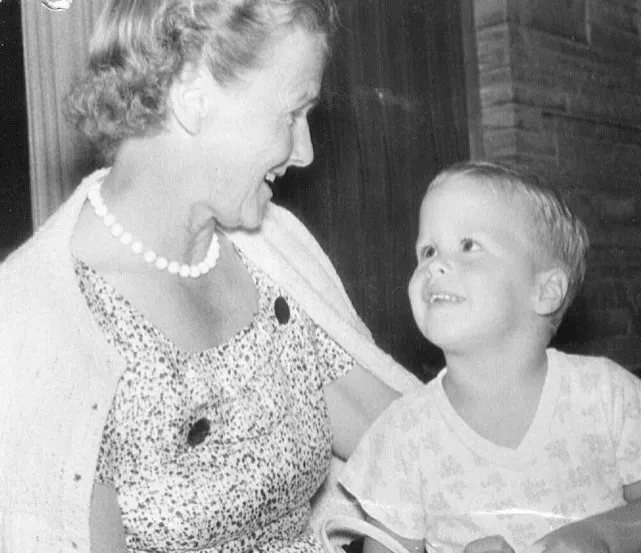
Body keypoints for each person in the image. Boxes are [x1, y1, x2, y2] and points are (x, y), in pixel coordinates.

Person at [0, 1, 421, 551]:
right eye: (294, 113)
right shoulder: (43, 324)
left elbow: (407, 445)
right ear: (193, 94)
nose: (306, 151)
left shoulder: (270, 249)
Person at [339, 161, 641, 553]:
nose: (433, 265)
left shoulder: (603, 393)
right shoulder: (404, 433)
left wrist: (601, 537)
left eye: (469, 245)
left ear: (544, 291)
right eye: (427, 250)